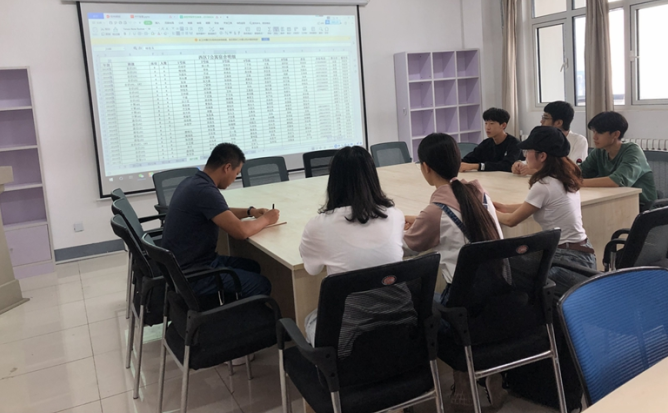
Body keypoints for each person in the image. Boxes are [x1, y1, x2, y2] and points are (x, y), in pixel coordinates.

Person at [403, 133, 507, 411]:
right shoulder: (480, 194)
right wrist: (420, 220)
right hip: (500, 299)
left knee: (414, 300)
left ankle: (458, 379)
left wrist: (401, 226)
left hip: (463, 308)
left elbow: (406, 248)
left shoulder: (435, 212)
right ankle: (481, 372)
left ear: (425, 167)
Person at [299, 146, 409, 353]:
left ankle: (327, 372)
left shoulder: (318, 225)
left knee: (311, 319)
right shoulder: (396, 216)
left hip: (350, 341)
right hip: (404, 331)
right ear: (372, 177)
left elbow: (312, 270)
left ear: (334, 181)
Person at [161, 143, 279, 299]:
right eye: (236, 173)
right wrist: (266, 219)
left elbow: (221, 212)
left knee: (253, 266)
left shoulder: (193, 182)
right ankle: (238, 312)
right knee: (262, 284)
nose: (234, 179)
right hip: (195, 275)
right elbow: (241, 232)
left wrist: (250, 211)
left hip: (184, 267)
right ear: (227, 167)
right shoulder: (205, 191)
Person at [495, 126, 597, 297]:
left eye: (528, 151)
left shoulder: (543, 185)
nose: (525, 156)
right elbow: (531, 206)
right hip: (583, 256)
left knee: (500, 263)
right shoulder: (565, 178)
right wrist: (501, 207)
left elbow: (511, 221)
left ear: (542, 156)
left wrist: (485, 211)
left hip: (566, 262)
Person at [580, 111, 657, 211]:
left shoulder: (633, 151)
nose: (594, 137)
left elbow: (617, 181)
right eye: (594, 132)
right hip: (615, 203)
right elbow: (580, 172)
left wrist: (578, 182)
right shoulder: (599, 152)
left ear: (616, 134)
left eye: (599, 132)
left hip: (642, 208)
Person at [512, 101, 589, 175]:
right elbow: (534, 159)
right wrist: (519, 164)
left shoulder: (579, 140)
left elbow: (574, 169)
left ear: (558, 123)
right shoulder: (543, 137)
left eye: (545, 118)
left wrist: (538, 171)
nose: (541, 121)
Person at [460, 107, 521, 172]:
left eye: (491, 123)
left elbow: (507, 165)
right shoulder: (486, 143)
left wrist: (477, 166)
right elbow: (470, 158)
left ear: (503, 125)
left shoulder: (514, 143)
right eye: (486, 123)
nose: (487, 127)